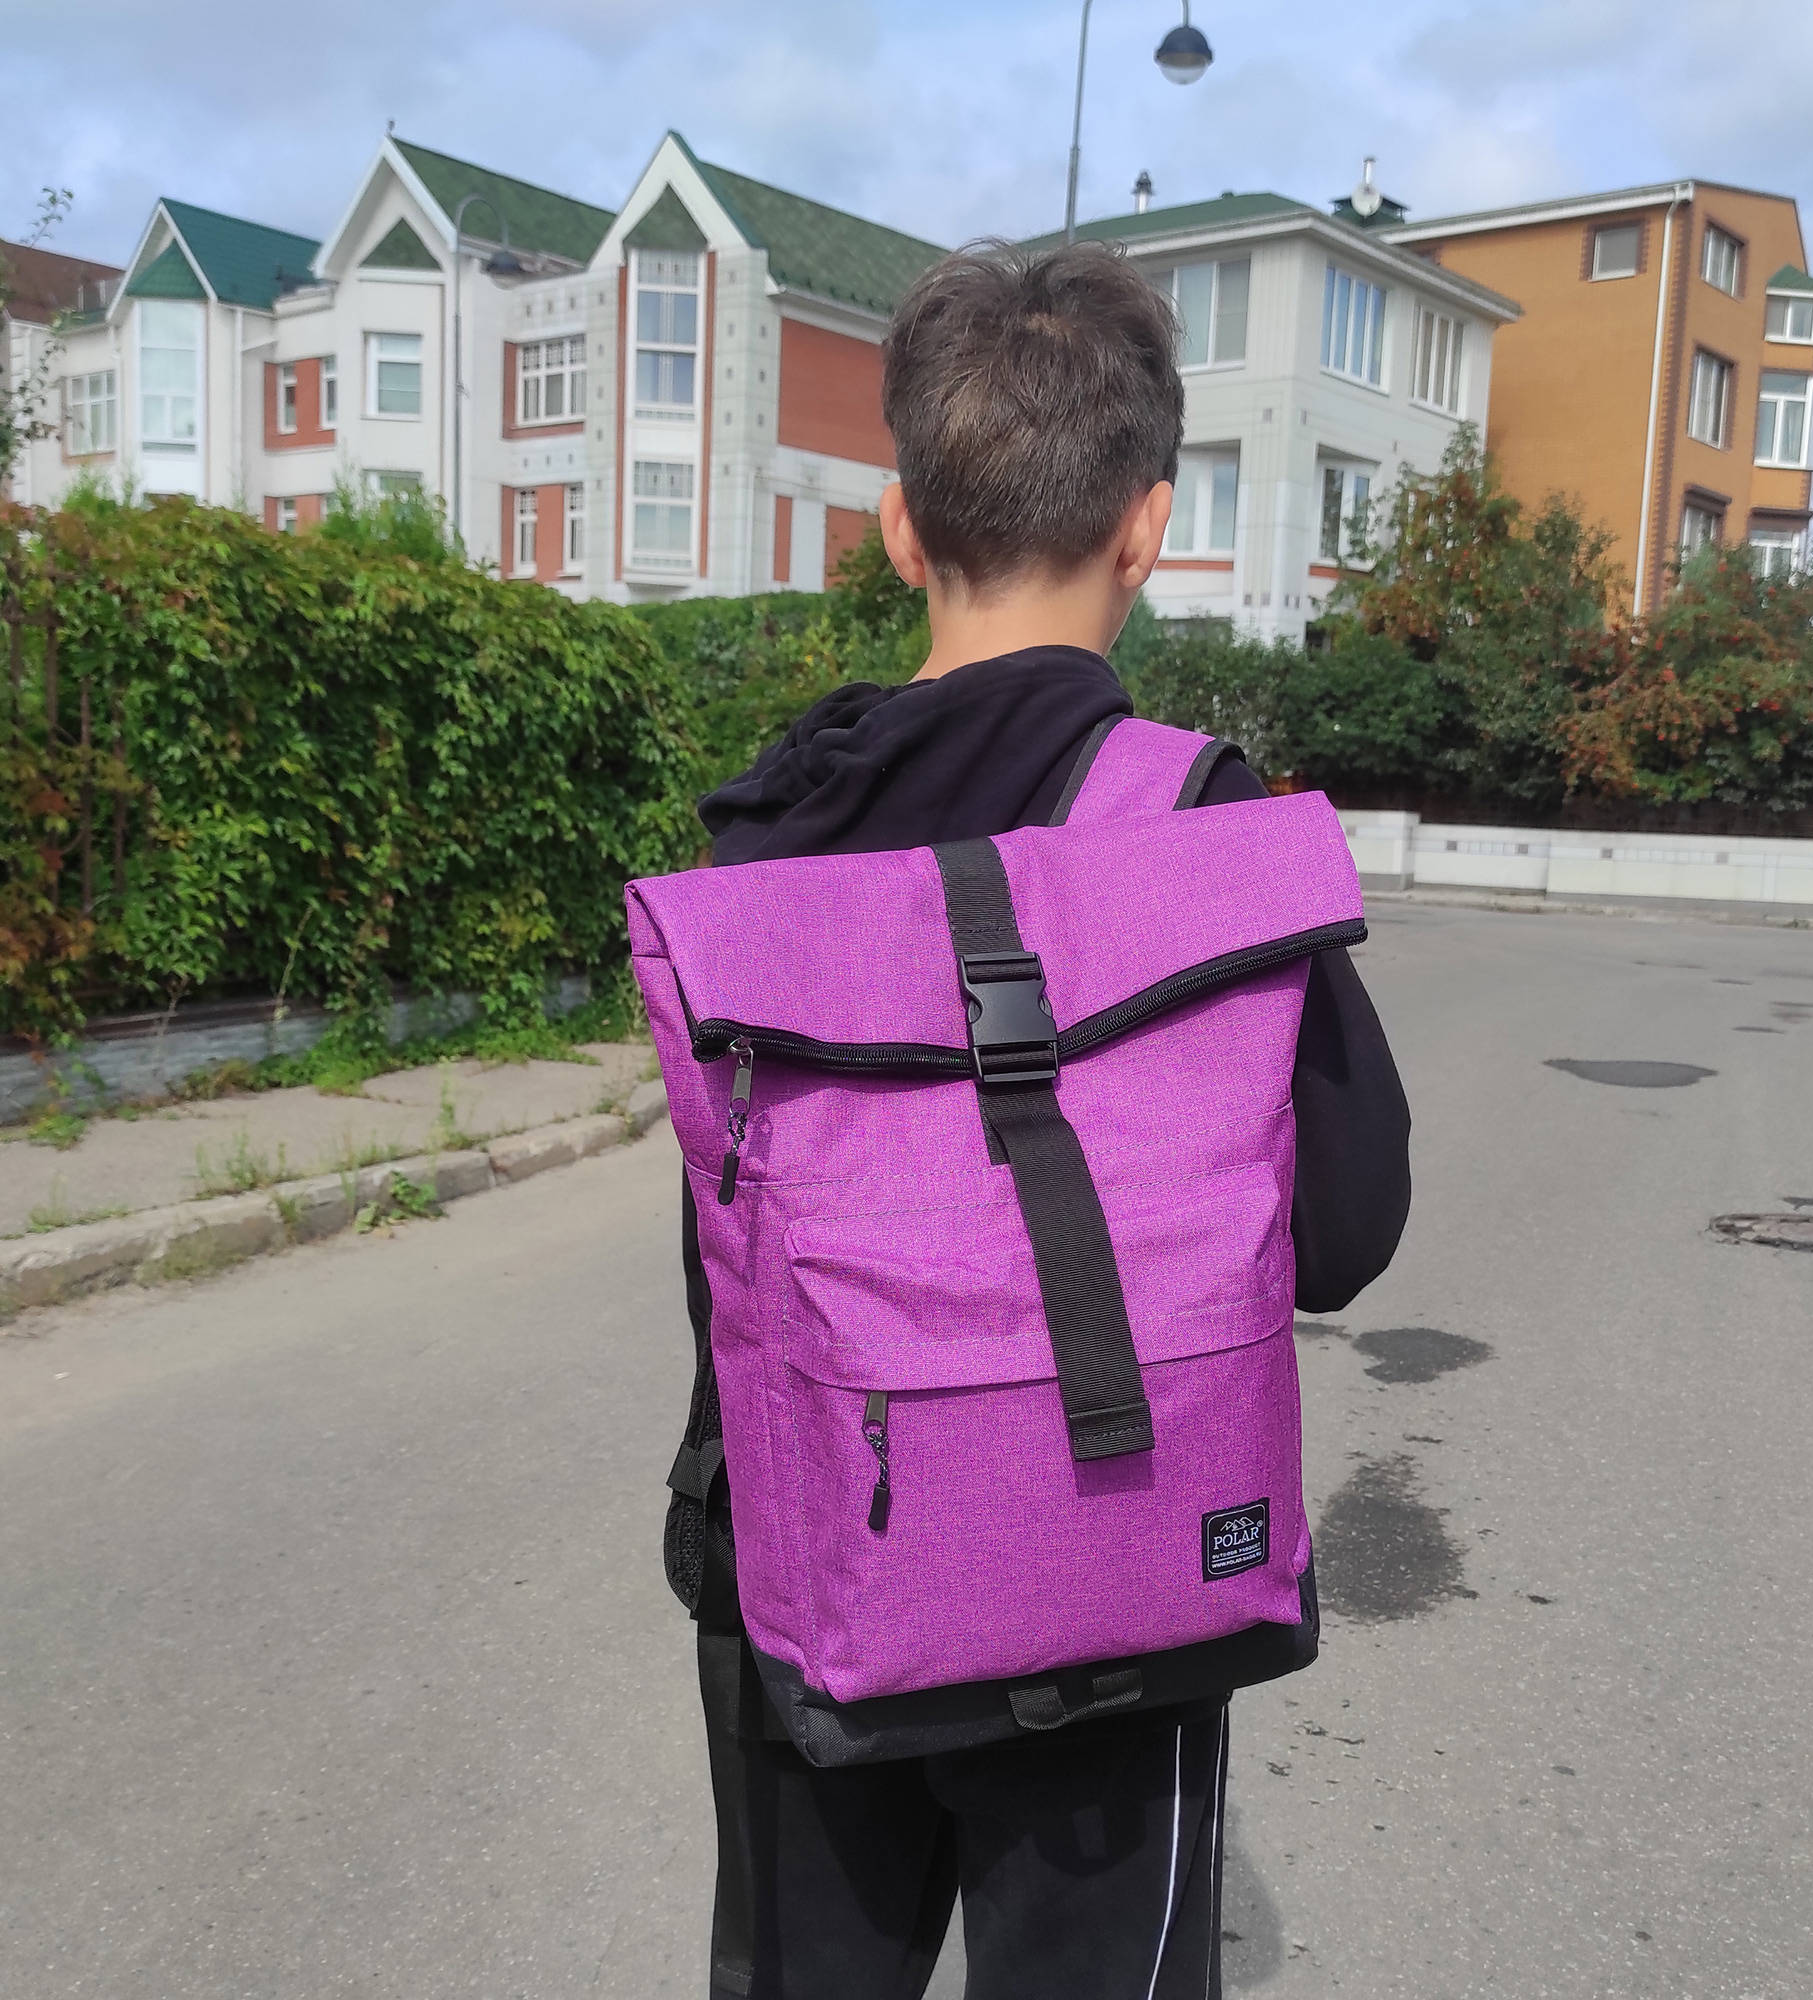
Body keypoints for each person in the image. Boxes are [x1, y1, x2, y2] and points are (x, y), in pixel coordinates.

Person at [670, 240, 1411, 1999]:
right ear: (1145, 530)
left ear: (899, 527)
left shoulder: (766, 835)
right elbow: (1346, 1229)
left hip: (810, 1553)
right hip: (1113, 1568)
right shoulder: (1203, 824)